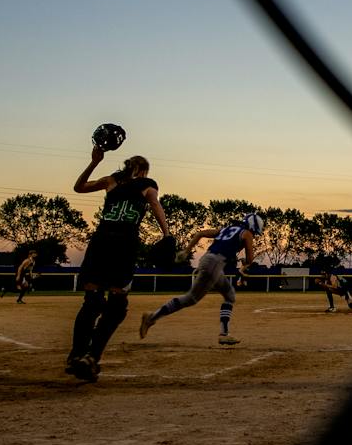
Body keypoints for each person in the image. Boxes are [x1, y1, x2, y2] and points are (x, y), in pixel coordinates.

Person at [65, 144, 170, 382]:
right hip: (123, 244)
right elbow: (155, 204)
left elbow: (78, 187)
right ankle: (91, 357)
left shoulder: (111, 181)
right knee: (117, 304)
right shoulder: (147, 183)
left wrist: (94, 162)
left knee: (91, 301)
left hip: (101, 241)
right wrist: (167, 234)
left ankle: (75, 356)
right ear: (143, 170)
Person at [139, 213, 263, 346]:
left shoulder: (226, 229)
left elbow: (200, 234)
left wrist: (186, 251)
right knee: (192, 298)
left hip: (207, 260)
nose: (254, 235)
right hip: (215, 264)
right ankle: (152, 317)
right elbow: (250, 259)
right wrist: (245, 262)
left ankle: (224, 334)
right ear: (252, 226)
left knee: (229, 295)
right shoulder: (247, 233)